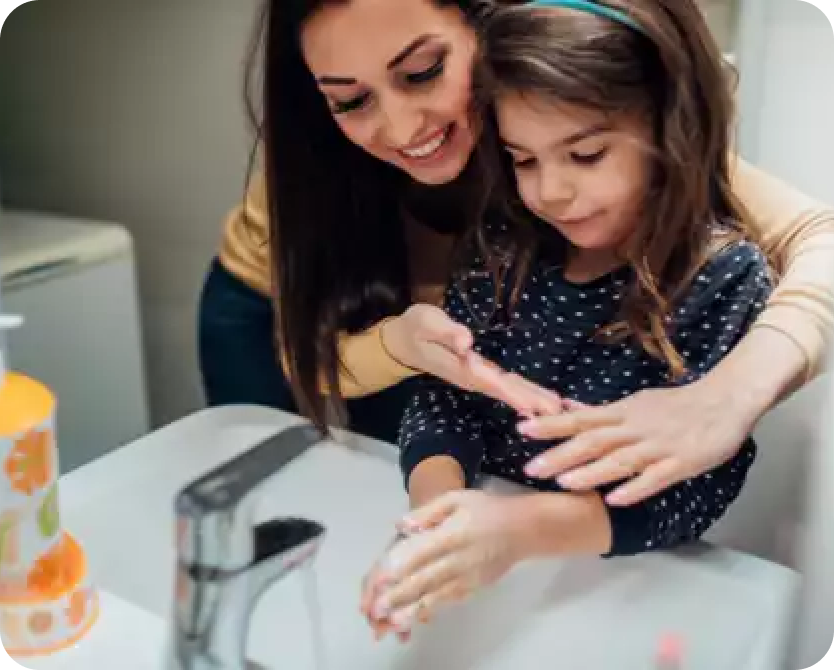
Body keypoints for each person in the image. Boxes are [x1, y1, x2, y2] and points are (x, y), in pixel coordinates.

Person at [199, 0, 834, 499]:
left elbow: (818, 237)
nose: (399, 128)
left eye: (423, 73)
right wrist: (396, 346)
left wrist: (729, 394)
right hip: (295, 320)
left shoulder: (575, 107)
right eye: (350, 100)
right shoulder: (316, 175)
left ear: (487, 22)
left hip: (448, 348)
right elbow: (307, 364)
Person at [359, 0, 776, 636]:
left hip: (623, 586)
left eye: (585, 155)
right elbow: (448, 402)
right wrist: (438, 517)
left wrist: (516, 532)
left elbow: (696, 486)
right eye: (523, 159)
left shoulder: (720, 277)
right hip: (492, 561)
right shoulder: (504, 240)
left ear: (671, 128)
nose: (549, 191)